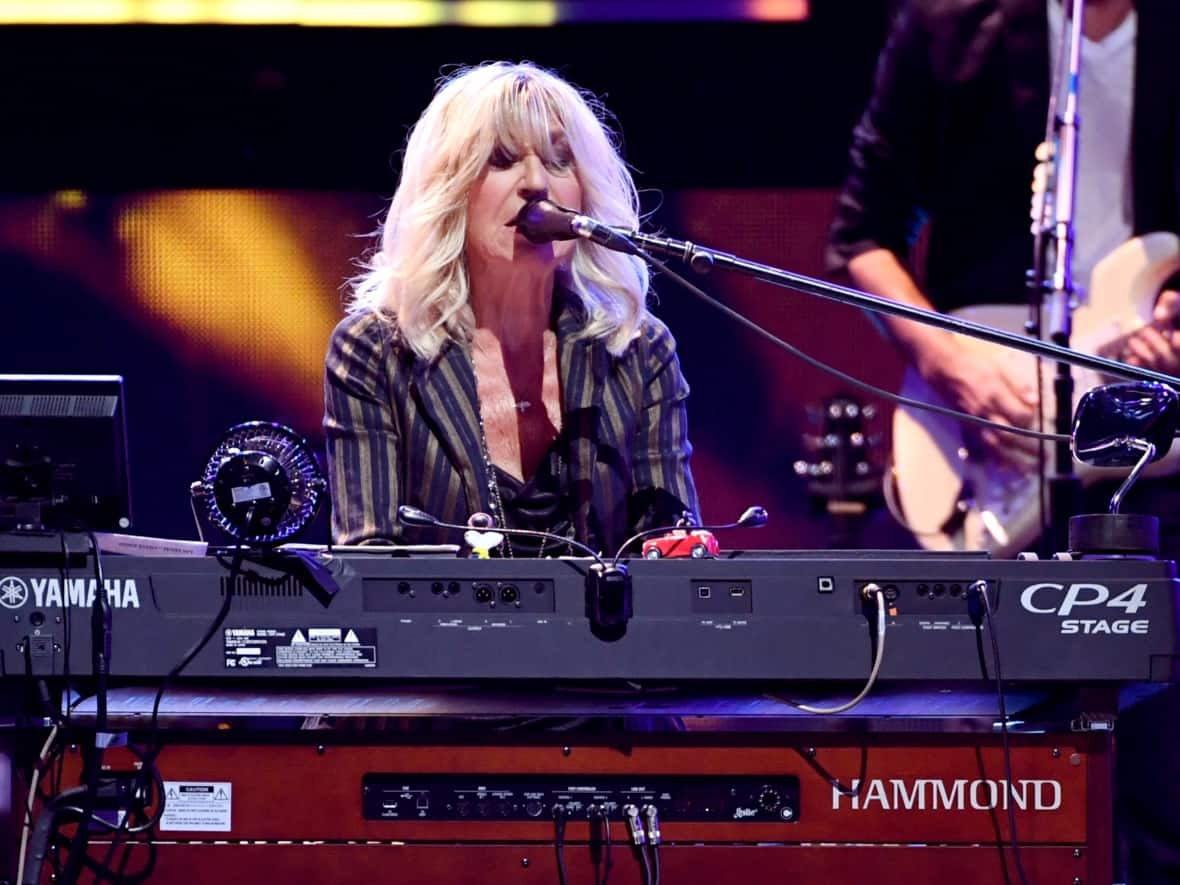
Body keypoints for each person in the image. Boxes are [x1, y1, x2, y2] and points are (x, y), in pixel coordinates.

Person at [827, 2, 1180, 882]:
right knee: (1002, 767)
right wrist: (955, 368)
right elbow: (861, 236)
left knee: (1160, 767)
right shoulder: (951, 26)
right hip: (988, 429)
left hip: (1155, 448)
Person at [323, 61, 699, 556]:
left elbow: (674, 550)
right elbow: (367, 565)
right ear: (449, 189)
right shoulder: (375, 351)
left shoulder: (638, 349)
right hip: (438, 634)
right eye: (501, 161)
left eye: (560, 161)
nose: (536, 183)